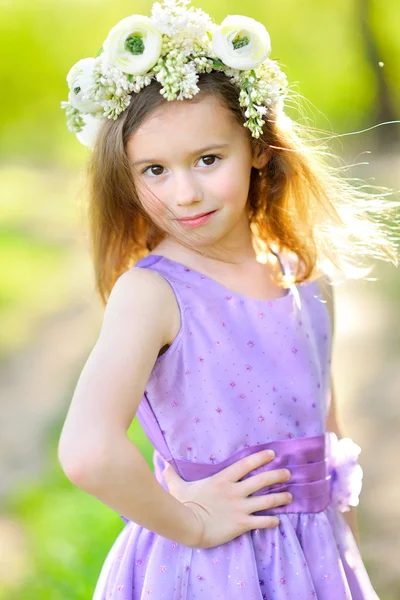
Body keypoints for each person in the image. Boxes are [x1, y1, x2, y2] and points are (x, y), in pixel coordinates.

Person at [58, 1, 398, 598]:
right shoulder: (154, 293)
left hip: (315, 566)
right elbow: (88, 451)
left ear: (259, 148)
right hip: (206, 569)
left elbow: (327, 443)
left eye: (208, 160)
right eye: (155, 170)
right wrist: (189, 521)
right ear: (127, 177)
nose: (184, 193)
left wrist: (344, 565)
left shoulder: (304, 279)